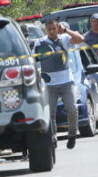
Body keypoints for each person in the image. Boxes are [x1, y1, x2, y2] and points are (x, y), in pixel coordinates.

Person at [34, 18, 85, 150]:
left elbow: (80, 39)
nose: (52, 32)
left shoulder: (65, 39)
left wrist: (66, 30)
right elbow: (32, 60)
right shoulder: (40, 43)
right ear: (46, 29)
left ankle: (72, 134)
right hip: (49, 84)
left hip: (66, 82)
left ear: (58, 28)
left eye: (54, 29)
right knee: (50, 114)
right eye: (49, 29)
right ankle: (53, 137)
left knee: (72, 109)